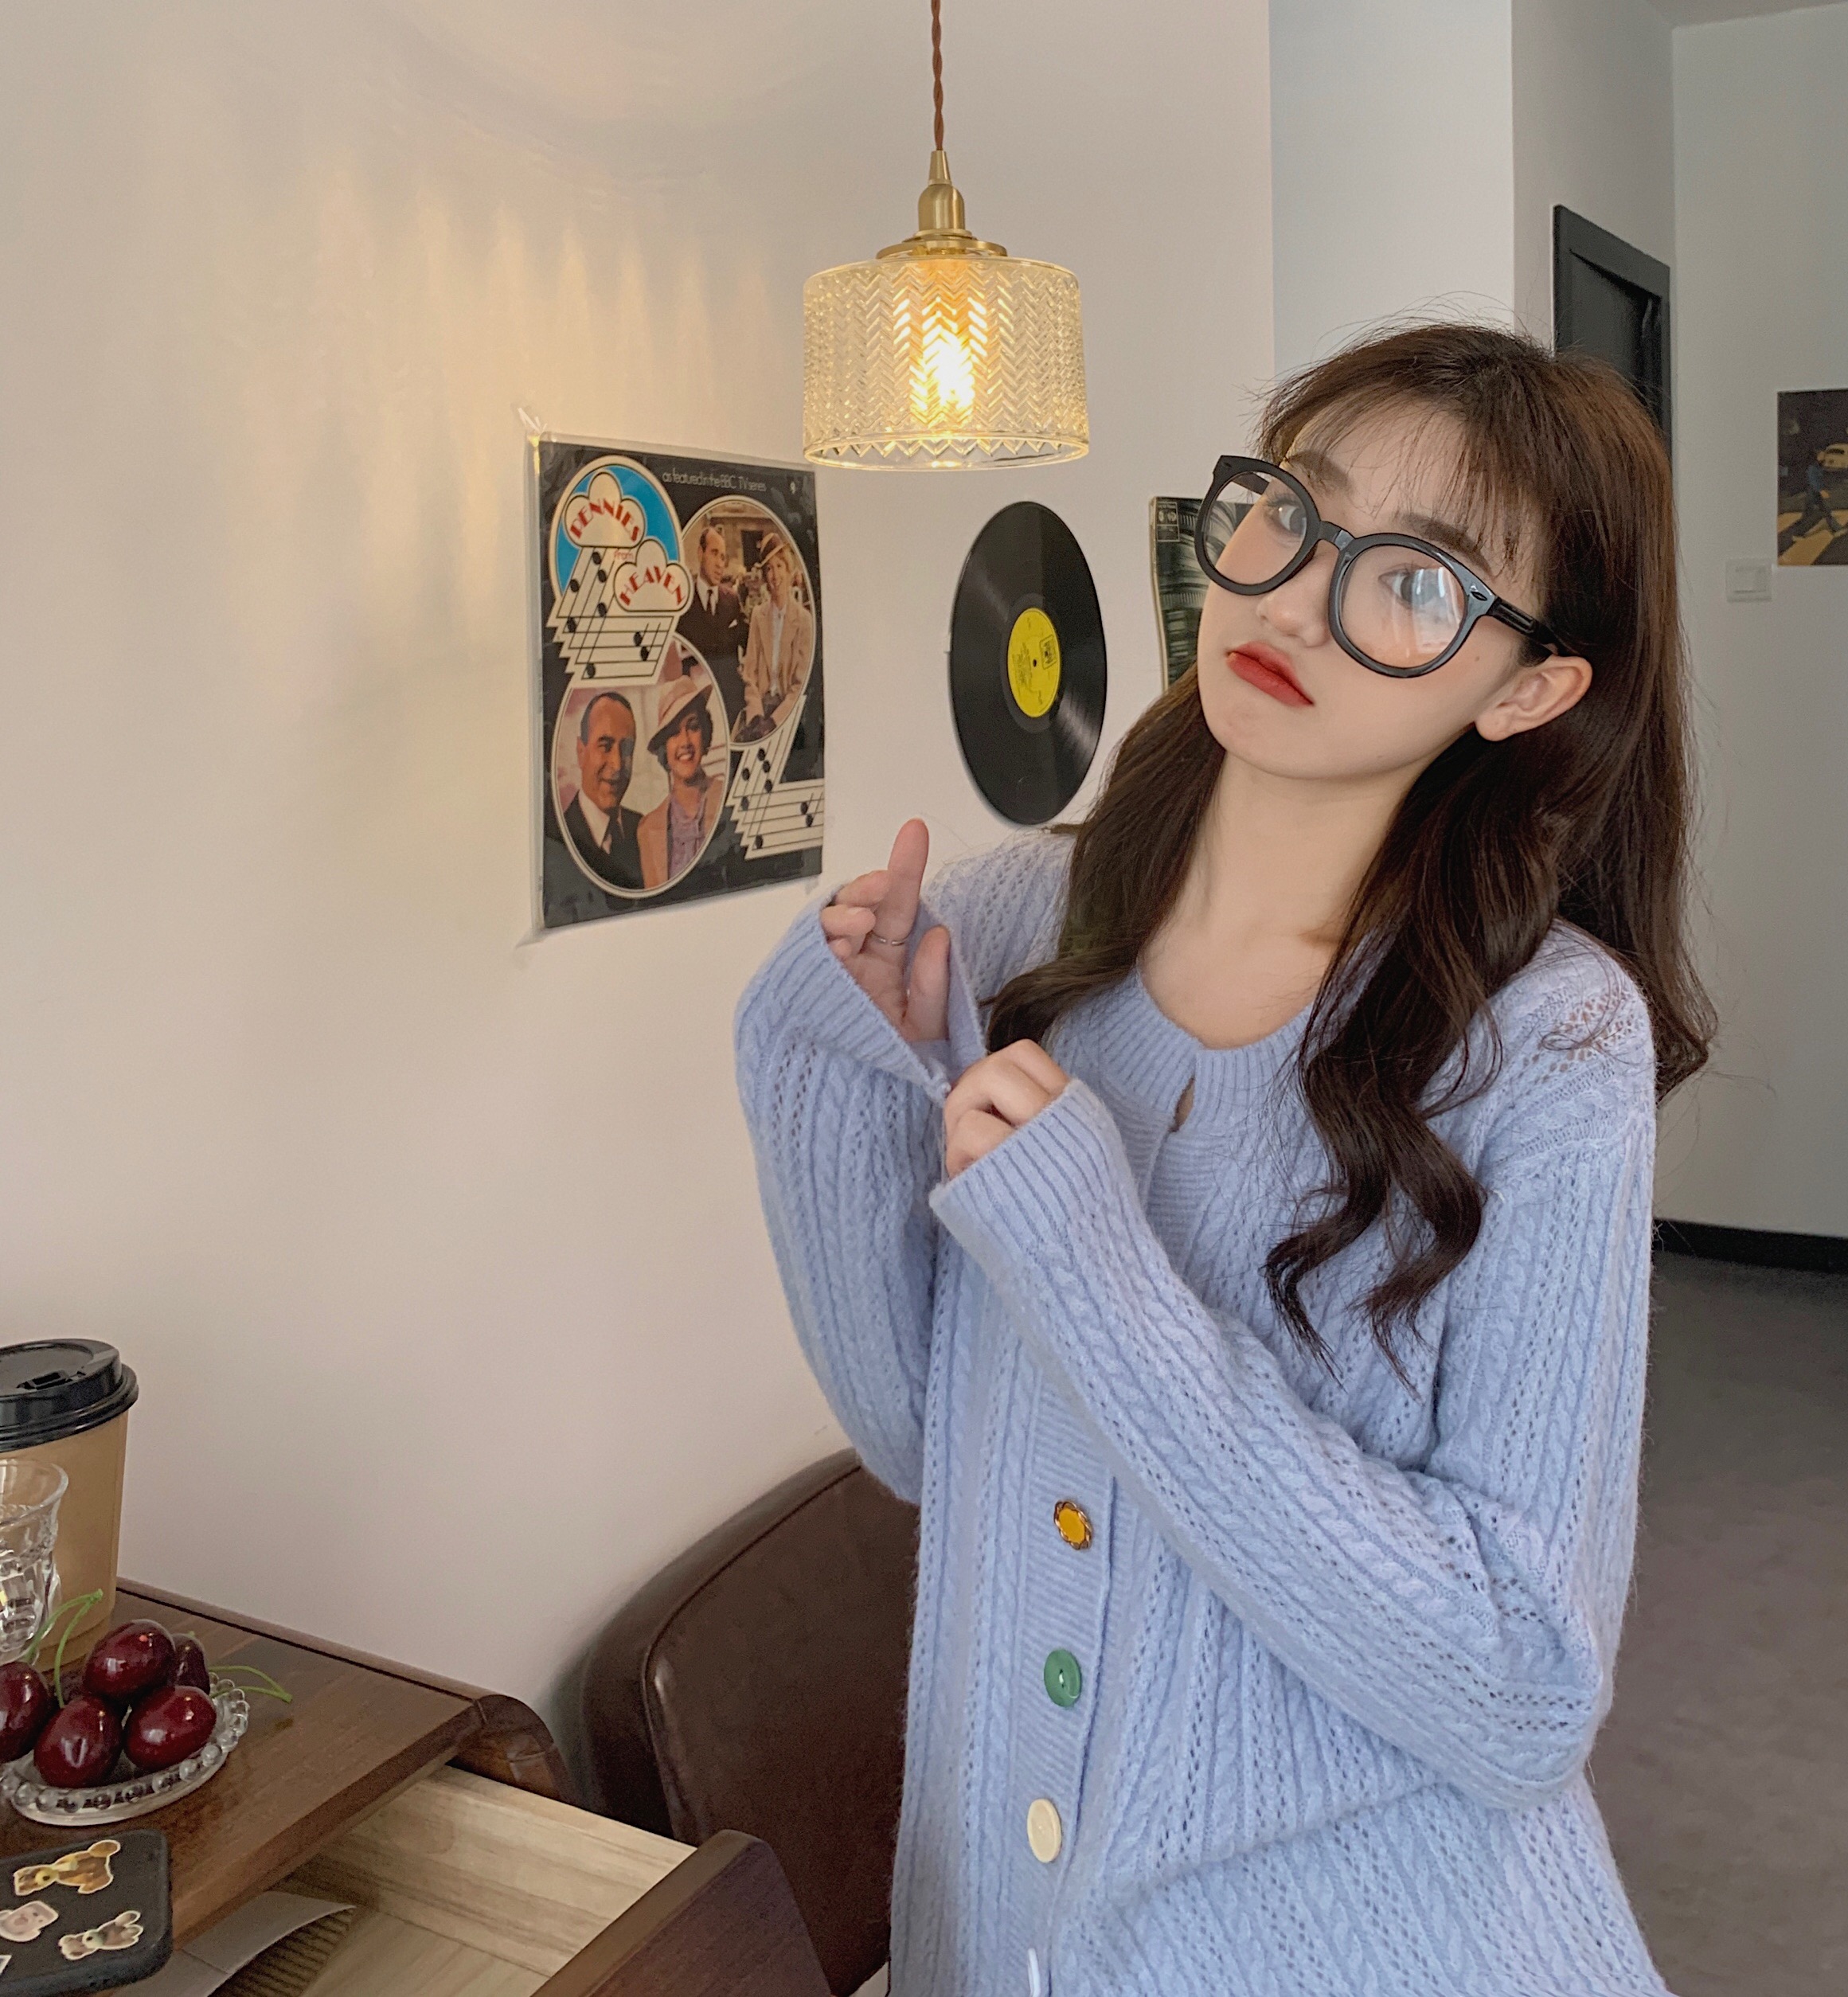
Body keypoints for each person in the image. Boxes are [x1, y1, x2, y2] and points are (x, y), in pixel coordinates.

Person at [736, 322, 1717, 1997]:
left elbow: (1520, 1690)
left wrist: (1090, 1258)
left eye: (1413, 582)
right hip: (997, 1932)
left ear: (1529, 687)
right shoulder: (1005, 924)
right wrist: (824, 1052)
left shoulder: (1548, 1041)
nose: (1297, 601)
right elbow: (932, 1446)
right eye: (1292, 511)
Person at [638, 673, 724, 889]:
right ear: (663, 748)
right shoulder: (647, 830)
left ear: (705, 734)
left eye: (693, 727)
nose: (685, 741)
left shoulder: (729, 798)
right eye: (674, 733)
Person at [736, 538, 814, 743]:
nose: (775, 575)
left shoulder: (804, 620)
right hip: (760, 708)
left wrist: (773, 722)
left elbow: (800, 685)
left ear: (789, 571)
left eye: (779, 566)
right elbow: (749, 673)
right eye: (769, 569)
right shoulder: (758, 615)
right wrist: (756, 716)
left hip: (787, 711)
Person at [564, 690, 643, 889]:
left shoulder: (644, 831)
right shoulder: (558, 836)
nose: (617, 764)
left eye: (627, 749)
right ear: (581, 752)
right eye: (605, 746)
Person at [678, 525, 750, 725]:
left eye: (723, 557)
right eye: (714, 553)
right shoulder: (683, 602)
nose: (720, 564)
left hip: (730, 709)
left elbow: (751, 641)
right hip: (697, 709)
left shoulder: (732, 600)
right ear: (700, 553)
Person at [1793, 450, 1842, 537]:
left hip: (1815, 493)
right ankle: (1798, 533)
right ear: (1817, 457)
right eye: (1822, 455)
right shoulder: (1812, 468)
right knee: (1811, 514)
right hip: (1813, 493)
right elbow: (1813, 481)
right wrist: (1821, 491)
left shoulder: (1819, 466)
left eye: (1824, 455)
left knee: (1824, 511)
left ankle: (1836, 529)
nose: (1824, 457)